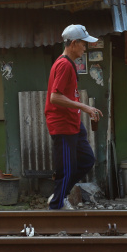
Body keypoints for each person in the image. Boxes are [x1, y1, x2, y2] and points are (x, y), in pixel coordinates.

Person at [44, 24, 103, 210]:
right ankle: (57, 205)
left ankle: (59, 194)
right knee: (66, 169)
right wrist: (84, 106)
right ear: (74, 43)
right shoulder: (63, 65)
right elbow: (55, 97)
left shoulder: (69, 64)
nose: (85, 48)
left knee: (87, 160)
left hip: (73, 122)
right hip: (62, 125)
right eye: (84, 44)